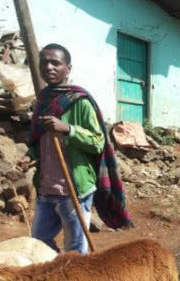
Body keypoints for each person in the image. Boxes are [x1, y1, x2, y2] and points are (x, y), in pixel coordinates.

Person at [18, 43, 132, 254]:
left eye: (56, 63)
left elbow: (98, 142)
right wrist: (30, 156)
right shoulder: (43, 100)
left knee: (76, 249)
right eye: (45, 62)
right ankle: (58, 275)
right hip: (46, 187)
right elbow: (38, 140)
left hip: (74, 189)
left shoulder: (80, 101)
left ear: (68, 68)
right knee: (39, 242)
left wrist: (68, 128)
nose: (49, 67)